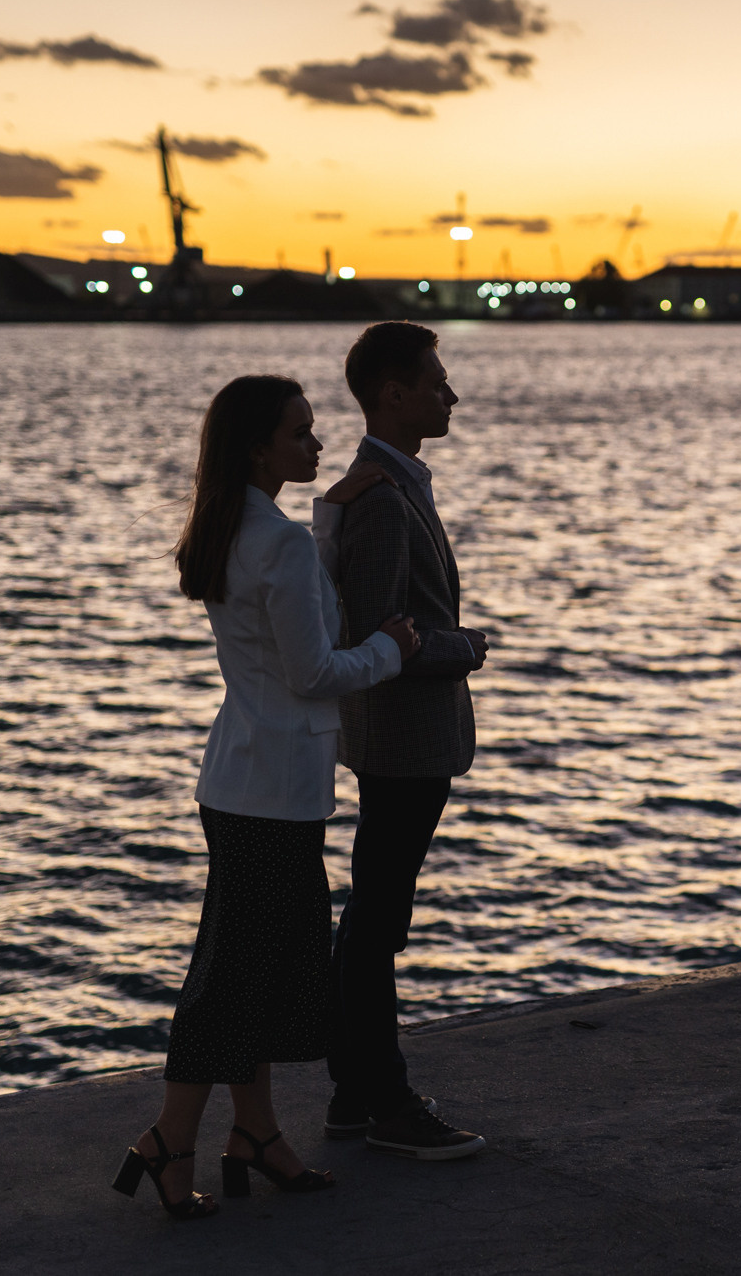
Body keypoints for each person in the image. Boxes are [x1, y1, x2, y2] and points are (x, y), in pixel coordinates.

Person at [112, 374, 421, 1220]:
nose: (317, 447)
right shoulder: (272, 541)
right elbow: (315, 669)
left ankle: (255, 1134)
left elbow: (295, 595)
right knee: (229, 980)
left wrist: (326, 516)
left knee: (250, 974)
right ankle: (171, 1138)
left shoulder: (235, 530)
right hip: (274, 792)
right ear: (258, 448)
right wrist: (393, 647)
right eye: (300, 434)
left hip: (240, 782)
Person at [314, 322, 488, 1160]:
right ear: (392, 392)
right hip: (401, 741)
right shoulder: (381, 498)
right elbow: (379, 636)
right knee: (380, 919)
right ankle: (382, 1098)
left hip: (399, 741)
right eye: (435, 381)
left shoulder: (390, 485)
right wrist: (466, 647)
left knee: (373, 913)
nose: (449, 394)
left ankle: (353, 1092)